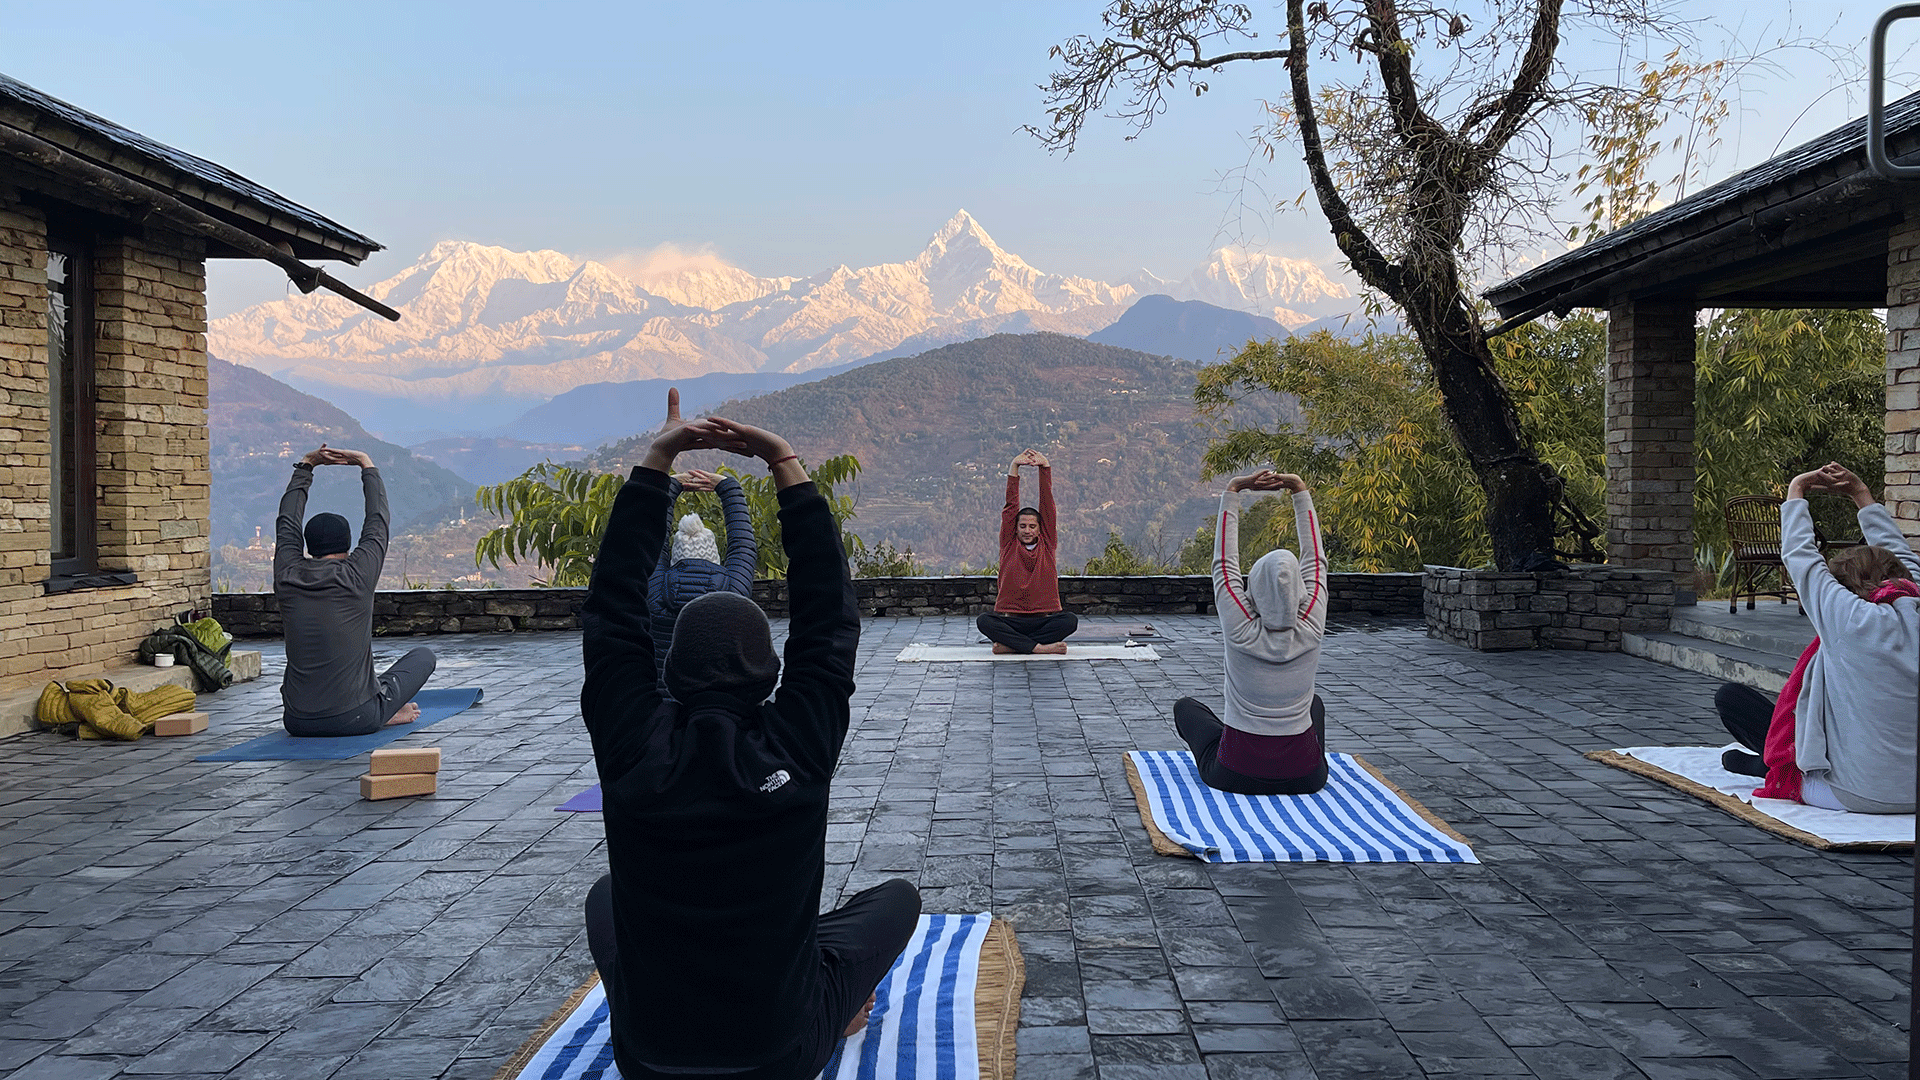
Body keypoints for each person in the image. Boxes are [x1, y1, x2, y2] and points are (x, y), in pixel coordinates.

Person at [579, 393, 921, 1080]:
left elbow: (612, 608)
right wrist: (782, 461)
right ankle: (829, 1000)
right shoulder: (796, 743)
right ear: (770, 671)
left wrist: (658, 460)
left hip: (648, 1058)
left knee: (606, 896)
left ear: (670, 668)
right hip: (779, 1055)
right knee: (897, 901)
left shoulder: (631, 742)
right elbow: (828, 618)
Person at [1715, 462, 1919, 813]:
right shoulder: (1913, 598)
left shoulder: (1849, 617)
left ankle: (1768, 767)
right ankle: (1764, 763)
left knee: (1732, 699)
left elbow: (1800, 555)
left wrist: (1797, 489)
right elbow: (1901, 558)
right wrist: (1860, 493)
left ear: (1847, 589)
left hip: (1855, 795)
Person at [1173, 468, 1330, 795]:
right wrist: (1299, 489)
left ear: (1255, 587)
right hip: (1307, 778)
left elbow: (1224, 565)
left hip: (1234, 773)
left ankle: (1236, 746)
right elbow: (1316, 560)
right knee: (1314, 704)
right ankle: (1297, 757)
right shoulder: (1312, 623)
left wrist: (1234, 489)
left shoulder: (1239, 625)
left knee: (1186, 708)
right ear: (1299, 589)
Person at [274, 445, 435, 736]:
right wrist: (366, 464)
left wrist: (307, 464)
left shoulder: (288, 574)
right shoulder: (357, 574)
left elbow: (287, 521)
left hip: (297, 721)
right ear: (348, 545)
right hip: (355, 717)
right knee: (423, 657)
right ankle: (383, 711)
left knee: (364, 681)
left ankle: (380, 707)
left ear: (308, 545)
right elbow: (377, 520)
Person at [648, 462, 757, 693]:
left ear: (675, 556)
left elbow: (654, 539)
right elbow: (742, 544)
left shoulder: (655, 589)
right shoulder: (733, 590)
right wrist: (729, 489)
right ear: (713, 556)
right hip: (719, 699)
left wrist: (669, 487)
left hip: (664, 698)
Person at [978, 448, 1077, 654]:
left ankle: (1014, 646)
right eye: (1022, 526)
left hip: (1042, 621)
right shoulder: (1009, 543)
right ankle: (1040, 647)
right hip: (1013, 621)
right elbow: (1011, 506)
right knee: (984, 621)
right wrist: (1014, 466)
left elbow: (1047, 505)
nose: (1027, 530)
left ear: (1040, 529)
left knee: (1070, 621)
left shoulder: (1047, 543)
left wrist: (1045, 467)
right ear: (1015, 528)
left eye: (1032, 526)